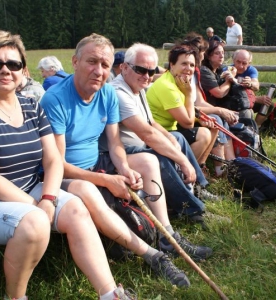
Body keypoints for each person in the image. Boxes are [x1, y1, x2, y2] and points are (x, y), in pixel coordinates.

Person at [0, 30, 136, 300]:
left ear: (23, 70)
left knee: (75, 206)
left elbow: (52, 160)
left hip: (32, 189)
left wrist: (49, 199)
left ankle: (110, 294)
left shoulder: (31, 106)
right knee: (35, 222)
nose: (5, 70)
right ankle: (15, 297)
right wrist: (37, 207)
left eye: (13, 64)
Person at [41, 33, 213, 288]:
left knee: (147, 162)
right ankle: (153, 255)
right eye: (92, 62)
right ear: (75, 62)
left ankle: (167, 235)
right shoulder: (55, 99)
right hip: (68, 173)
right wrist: (107, 179)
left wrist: (122, 168)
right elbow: (58, 163)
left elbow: (114, 143)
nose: (98, 70)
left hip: (98, 161)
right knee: (92, 189)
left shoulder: (106, 94)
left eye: (104, 65)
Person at [109, 43, 218, 216]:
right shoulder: (119, 93)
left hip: (138, 142)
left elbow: (151, 122)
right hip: (124, 150)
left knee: (178, 138)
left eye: (151, 72)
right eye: (141, 70)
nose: (147, 76)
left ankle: (198, 186)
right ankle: (192, 210)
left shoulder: (137, 87)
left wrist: (169, 137)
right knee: (160, 157)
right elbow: (148, 133)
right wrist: (183, 160)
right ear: (124, 67)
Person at [146, 45, 217, 172]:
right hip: (160, 131)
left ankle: (200, 169)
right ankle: (183, 173)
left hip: (172, 127)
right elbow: (187, 123)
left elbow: (185, 113)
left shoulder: (178, 81)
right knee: (204, 135)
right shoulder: (167, 86)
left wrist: (199, 119)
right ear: (172, 65)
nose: (188, 69)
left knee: (213, 126)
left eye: (191, 65)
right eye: (184, 63)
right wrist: (188, 94)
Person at [180, 33, 237, 175]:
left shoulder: (196, 73)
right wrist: (219, 111)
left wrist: (223, 111)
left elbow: (199, 101)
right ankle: (215, 168)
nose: (203, 56)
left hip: (193, 113)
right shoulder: (184, 75)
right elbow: (188, 107)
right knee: (215, 119)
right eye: (203, 52)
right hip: (182, 118)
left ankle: (228, 163)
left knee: (219, 118)